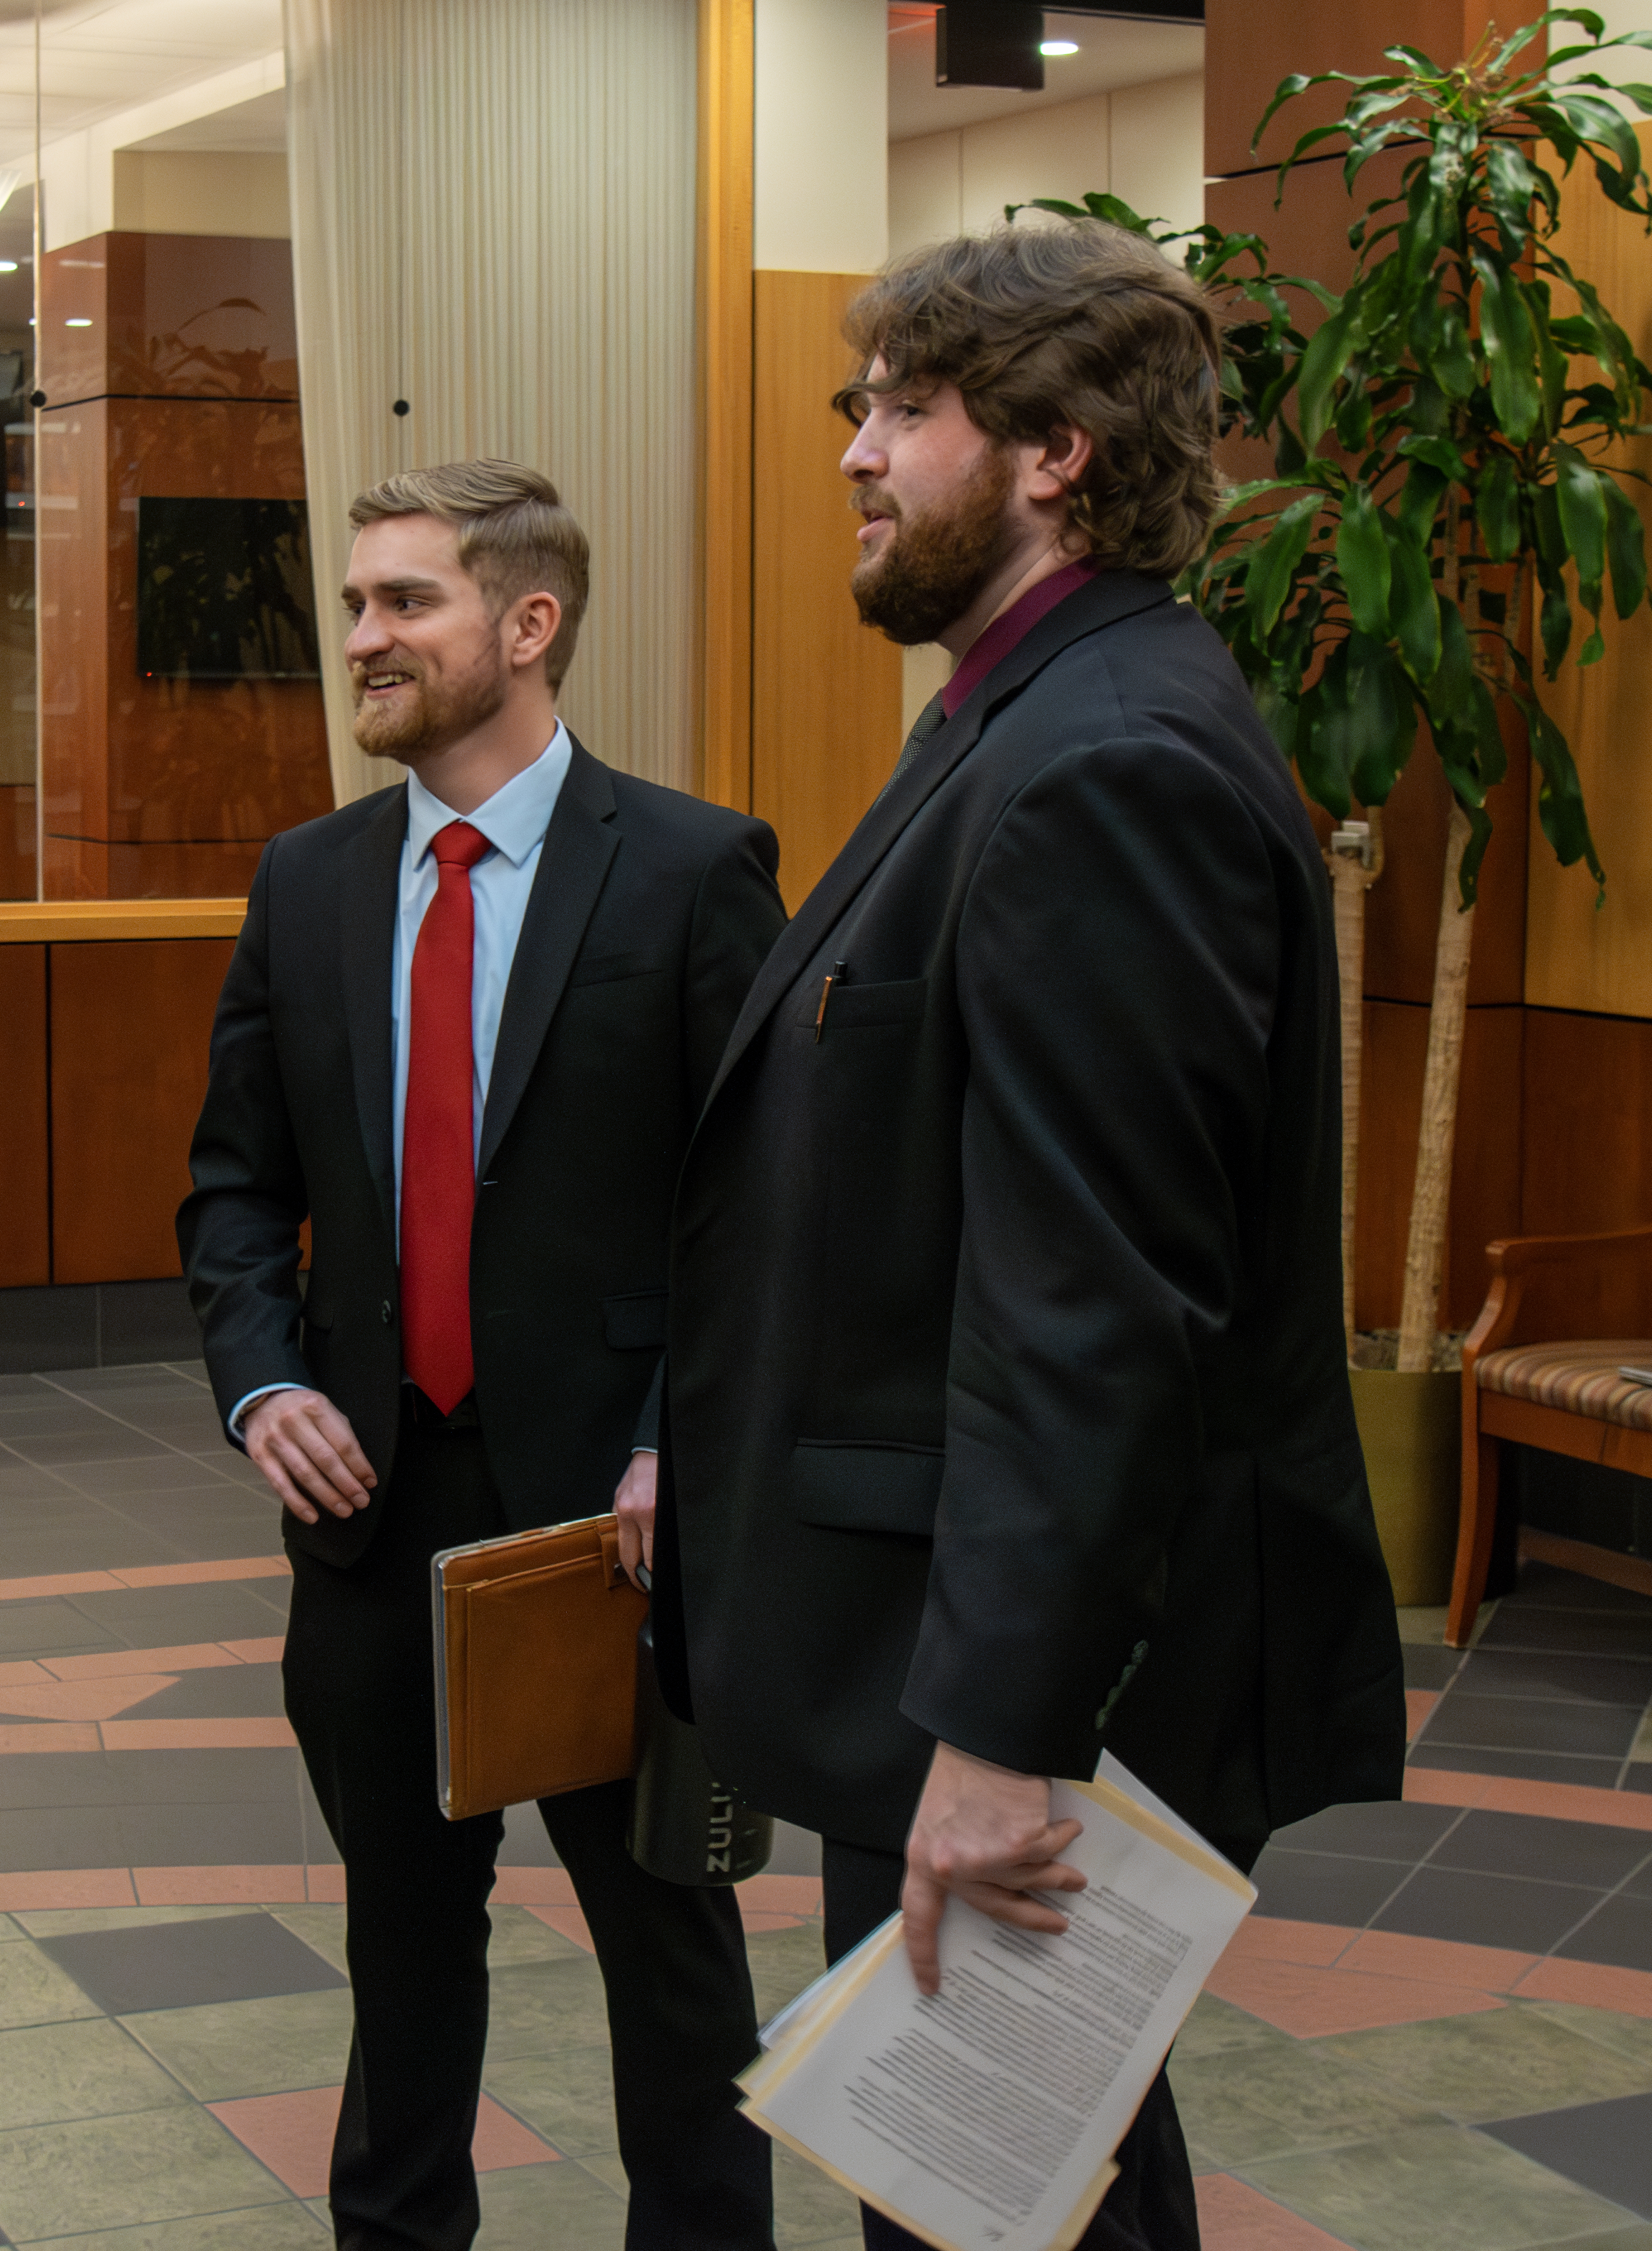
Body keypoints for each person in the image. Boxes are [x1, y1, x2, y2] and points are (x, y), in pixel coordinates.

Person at [654, 221, 1408, 2251]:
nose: (854, 454)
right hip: (968, 1643)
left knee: (992, 2198)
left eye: (903, 410)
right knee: (1008, 2187)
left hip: (1027, 1683)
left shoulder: (1111, 757)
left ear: (1055, 452)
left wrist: (1000, 1736)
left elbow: (1092, 1303)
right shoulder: (1025, 716)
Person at [181, 459, 787, 2251]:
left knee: (669, 1957)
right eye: (354, 602)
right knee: (398, 1949)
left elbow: (758, 1210)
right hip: (373, 1511)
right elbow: (233, 1187)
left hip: (613, 1526)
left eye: (401, 603)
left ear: (525, 625)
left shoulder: (689, 868)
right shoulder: (303, 884)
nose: (358, 638)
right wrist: (261, 1376)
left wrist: (679, 1444)